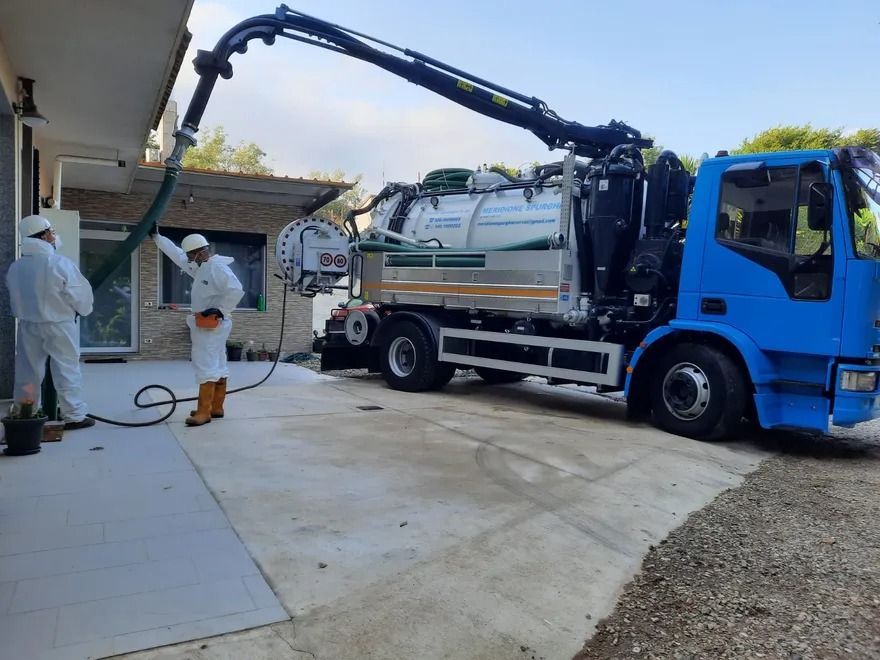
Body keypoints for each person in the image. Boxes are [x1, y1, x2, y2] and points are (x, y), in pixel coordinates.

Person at [6, 215, 95, 430]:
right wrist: (83, 310)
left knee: (28, 372)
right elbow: (81, 297)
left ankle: (26, 413)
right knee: (66, 368)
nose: (54, 235)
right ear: (44, 235)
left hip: (28, 325)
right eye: (51, 232)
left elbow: (14, 298)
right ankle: (73, 415)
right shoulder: (60, 263)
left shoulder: (16, 267)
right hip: (59, 324)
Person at [151, 226, 244, 426]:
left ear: (200, 252)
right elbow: (176, 255)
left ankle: (203, 412)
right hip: (213, 325)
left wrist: (220, 310)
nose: (188, 259)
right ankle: (216, 407)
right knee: (218, 363)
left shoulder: (217, 269)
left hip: (211, 325)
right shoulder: (201, 266)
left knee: (205, 364)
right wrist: (157, 237)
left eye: (190, 255)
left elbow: (236, 290)